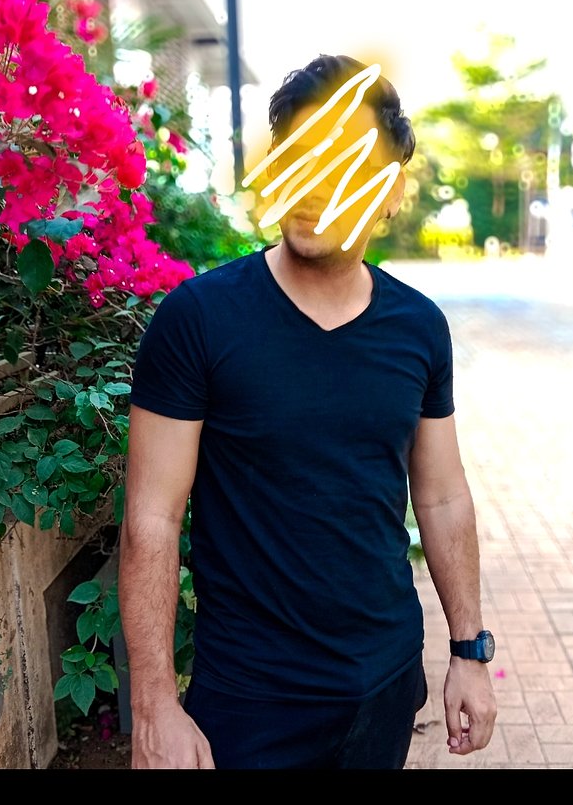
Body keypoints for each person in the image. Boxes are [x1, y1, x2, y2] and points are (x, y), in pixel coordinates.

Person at [121, 53, 497, 769]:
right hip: (250, 699)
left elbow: (444, 496)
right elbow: (151, 518)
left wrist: (469, 650)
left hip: (385, 683)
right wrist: (155, 705)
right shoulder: (200, 320)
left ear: (390, 192)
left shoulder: (419, 329)